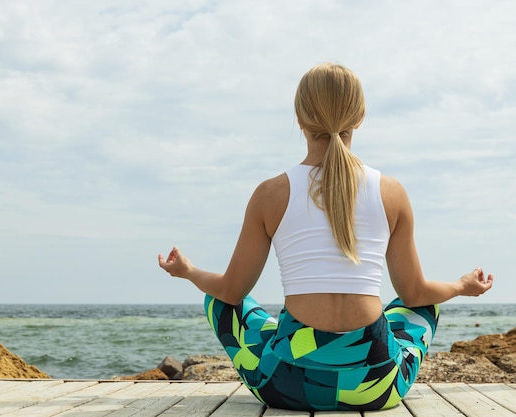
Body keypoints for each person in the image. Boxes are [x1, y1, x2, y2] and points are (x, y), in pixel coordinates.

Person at [158, 63, 493, 411]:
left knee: (218, 300)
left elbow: (231, 291)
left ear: (300, 119)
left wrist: (189, 271)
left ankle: (291, 338)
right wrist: (461, 285)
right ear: (359, 118)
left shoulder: (270, 193)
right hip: (375, 387)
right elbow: (414, 293)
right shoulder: (392, 192)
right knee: (423, 302)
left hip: (287, 385)